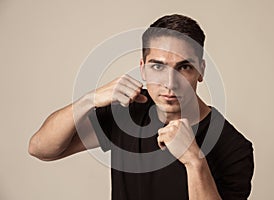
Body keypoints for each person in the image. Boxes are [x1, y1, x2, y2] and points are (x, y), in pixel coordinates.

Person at [29, 14, 254, 200]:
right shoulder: (127, 110)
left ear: (201, 71)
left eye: (184, 67)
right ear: (143, 68)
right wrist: (90, 99)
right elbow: (41, 149)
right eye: (158, 66)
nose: (169, 82)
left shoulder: (234, 148)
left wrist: (194, 161)